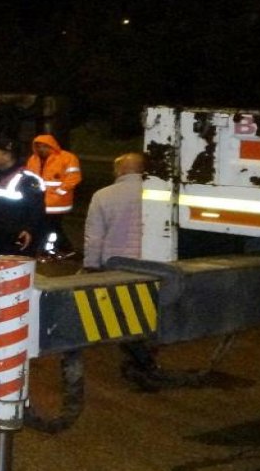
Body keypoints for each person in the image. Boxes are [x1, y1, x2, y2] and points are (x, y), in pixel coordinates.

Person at [80, 152, 162, 389]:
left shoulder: (103, 196)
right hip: (153, 263)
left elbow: (94, 237)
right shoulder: (159, 193)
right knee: (147, 310)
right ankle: (146, 355)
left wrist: (91, 265)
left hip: (118, 264)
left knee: (121, 315)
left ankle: (141, 362)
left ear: (120, 171)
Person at [0, 138, 45, 257]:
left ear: (7, 156)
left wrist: (29, 230)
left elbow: (37, 210)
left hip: (18, 241)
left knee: (16, 274)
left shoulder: (28, 180)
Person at [26, 134, 83, 259]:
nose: (42, 149)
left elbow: (74, 177)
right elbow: (29, 177)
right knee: (50, 227)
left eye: (44, 146)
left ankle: (60, 248)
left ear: (51, 145)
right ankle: (56, 249)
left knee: (50, 227)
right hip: (41, 200)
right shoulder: (33, 159)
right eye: (39, 147)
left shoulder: (67, 158)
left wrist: (60, 192)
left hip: (58, 202)